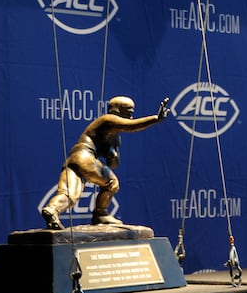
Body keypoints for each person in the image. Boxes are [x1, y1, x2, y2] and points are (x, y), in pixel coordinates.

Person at [41, 96, 170, 230]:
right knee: (112, 183)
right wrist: (155, 119)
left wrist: (112, 156)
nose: (131, 117)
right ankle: (100, 214)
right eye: (129, 113)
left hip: (73, 160)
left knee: (69, 194)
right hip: (85, 157)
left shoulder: (115, 137)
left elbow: (113, 164)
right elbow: (131, 126)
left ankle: (52, 210)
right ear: (117, 111)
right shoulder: (107, 119)